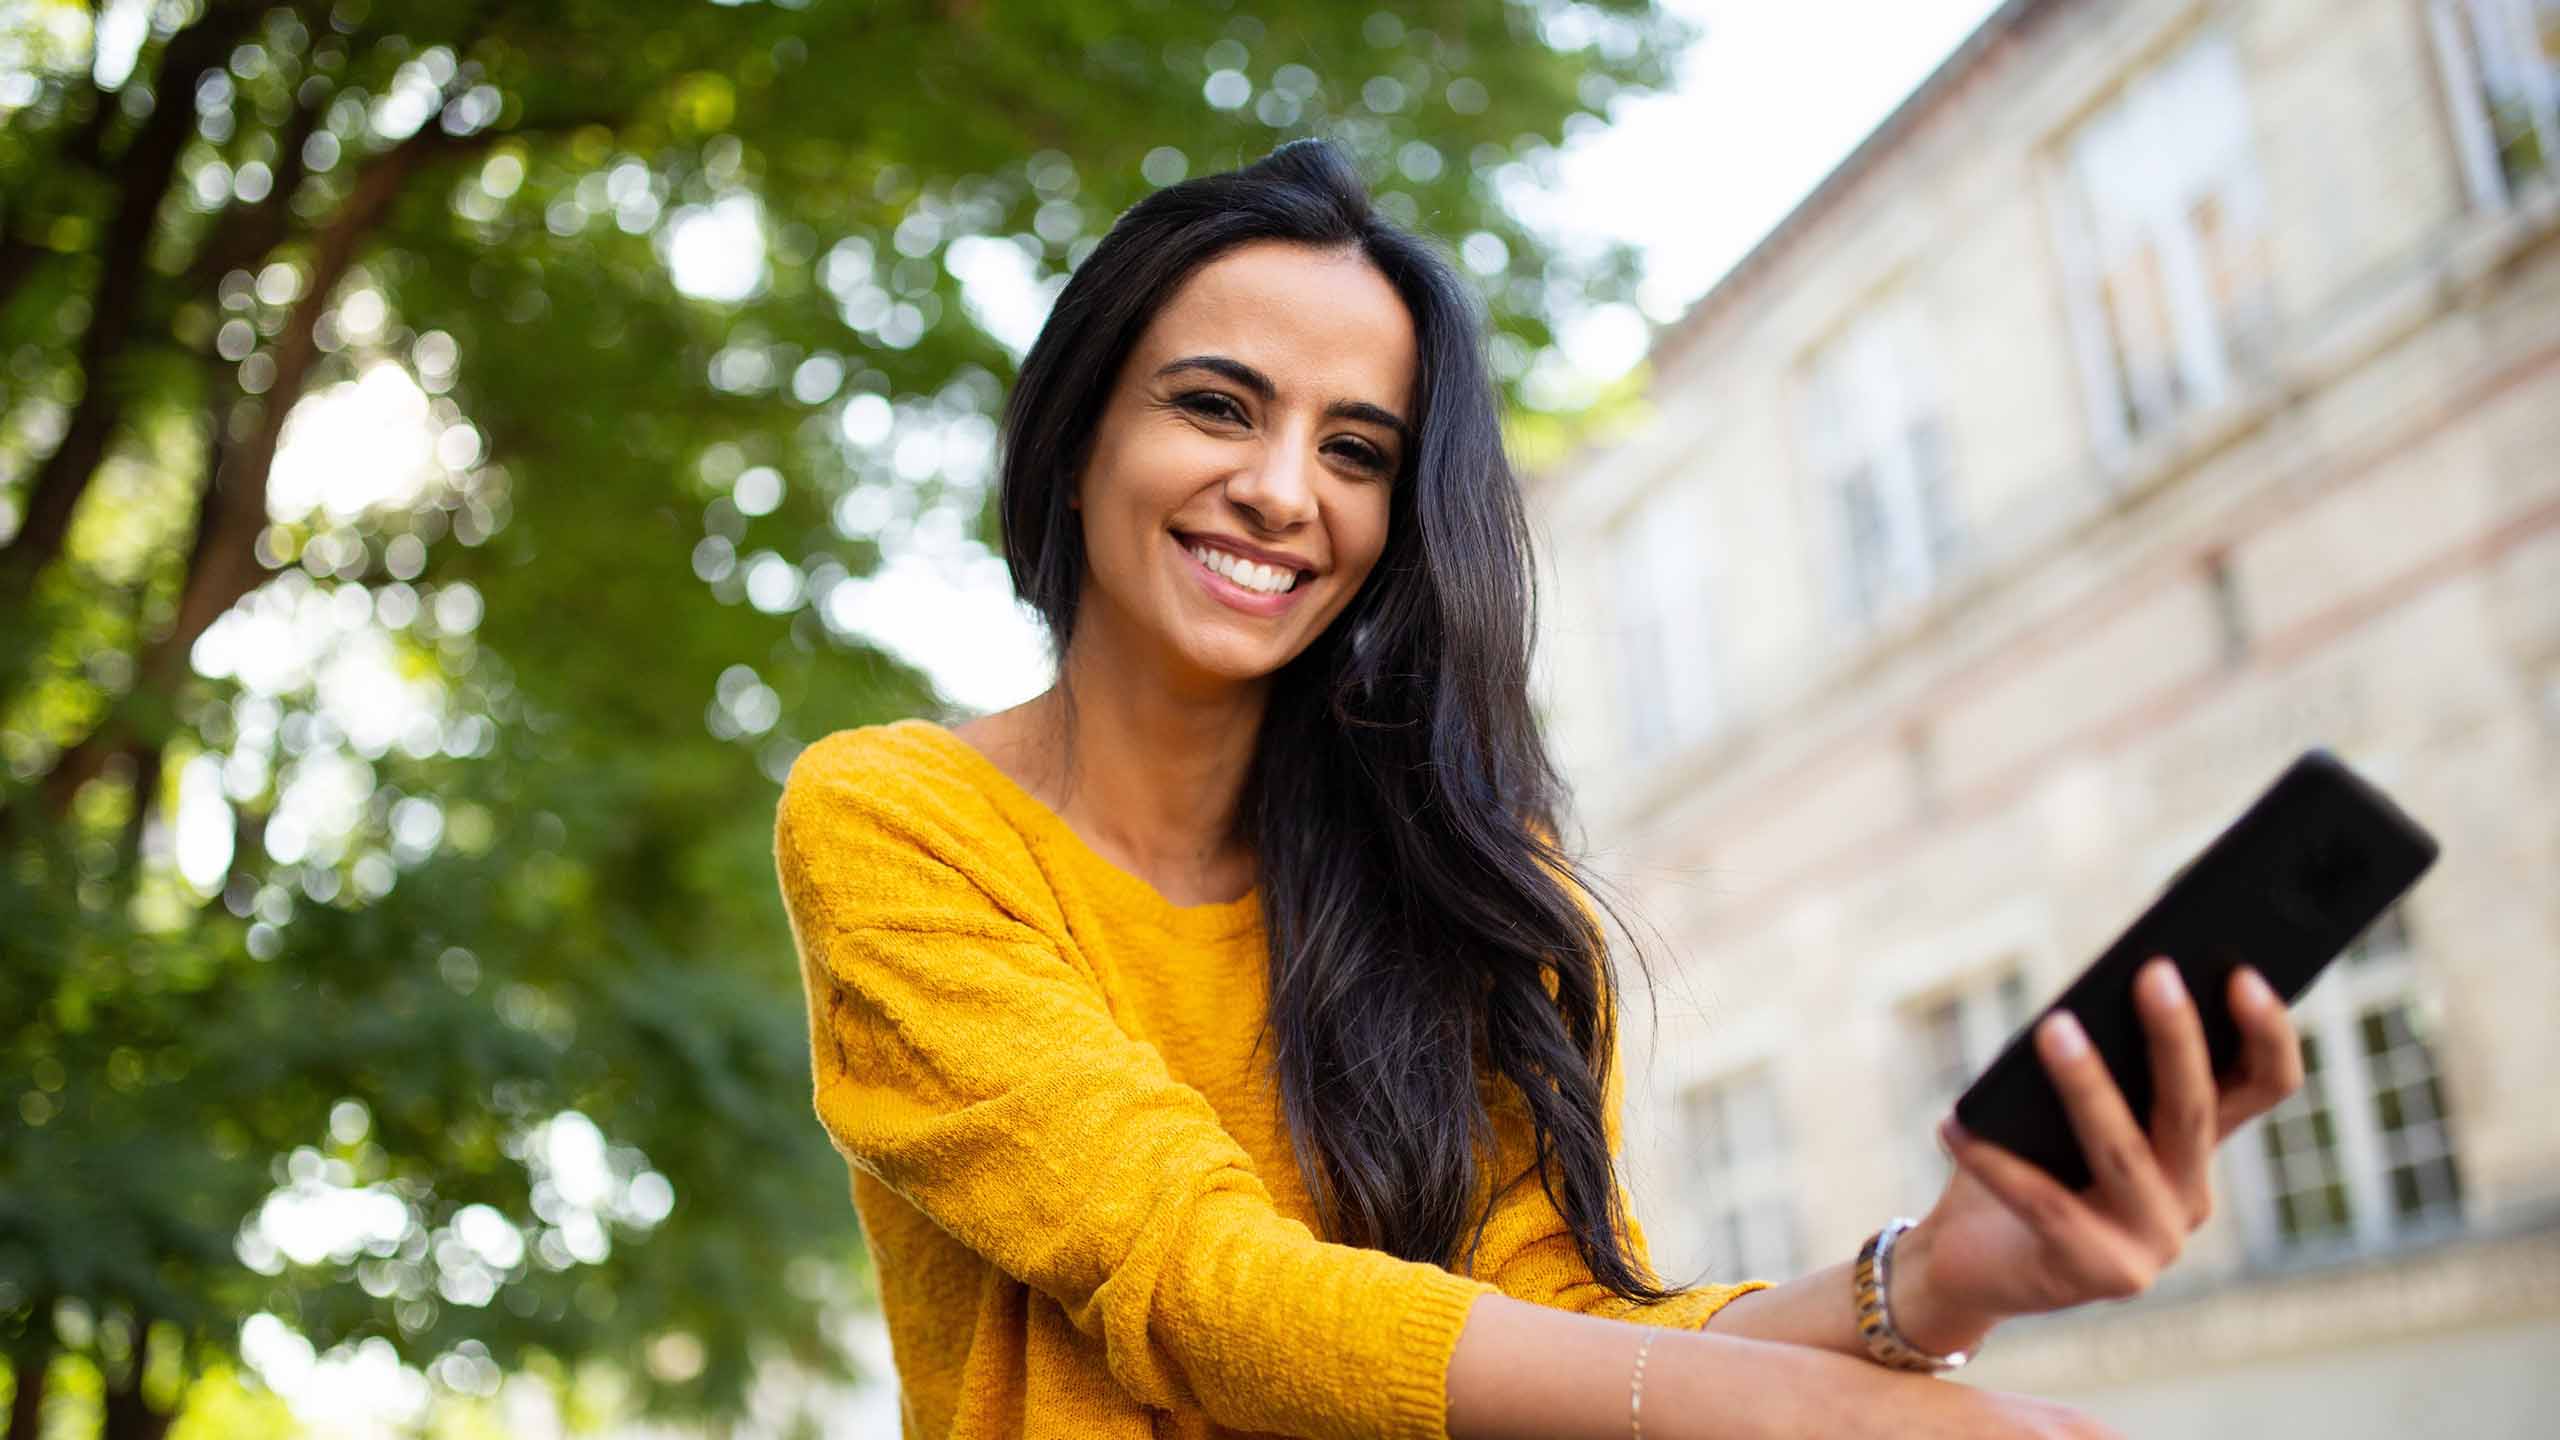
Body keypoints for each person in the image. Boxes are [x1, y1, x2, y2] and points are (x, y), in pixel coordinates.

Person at [770, 138, 2307, 1440]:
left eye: (1359, 448)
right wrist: (1834, 1419)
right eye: (1218, 406)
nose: (1285, 489)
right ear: (1082, 428)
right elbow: (1193, 1283)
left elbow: (1572, 1332)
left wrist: (1939, 1281)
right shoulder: (900, 819)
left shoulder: (1452, 871)